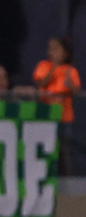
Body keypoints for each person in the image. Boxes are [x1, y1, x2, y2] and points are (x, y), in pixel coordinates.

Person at [34, 37, 81, 175]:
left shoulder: (70, 71)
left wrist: (69, 83)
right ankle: (43, 175)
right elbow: (42, 83)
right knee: (45, 147)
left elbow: (77, 91)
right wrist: (53, 69)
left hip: (63, 118)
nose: (52, 52)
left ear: (65, 53)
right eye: (50, 48)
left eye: (56, 49)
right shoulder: (43, 66)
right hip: (46, 116)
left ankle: (65, 179)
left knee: (62, 149)